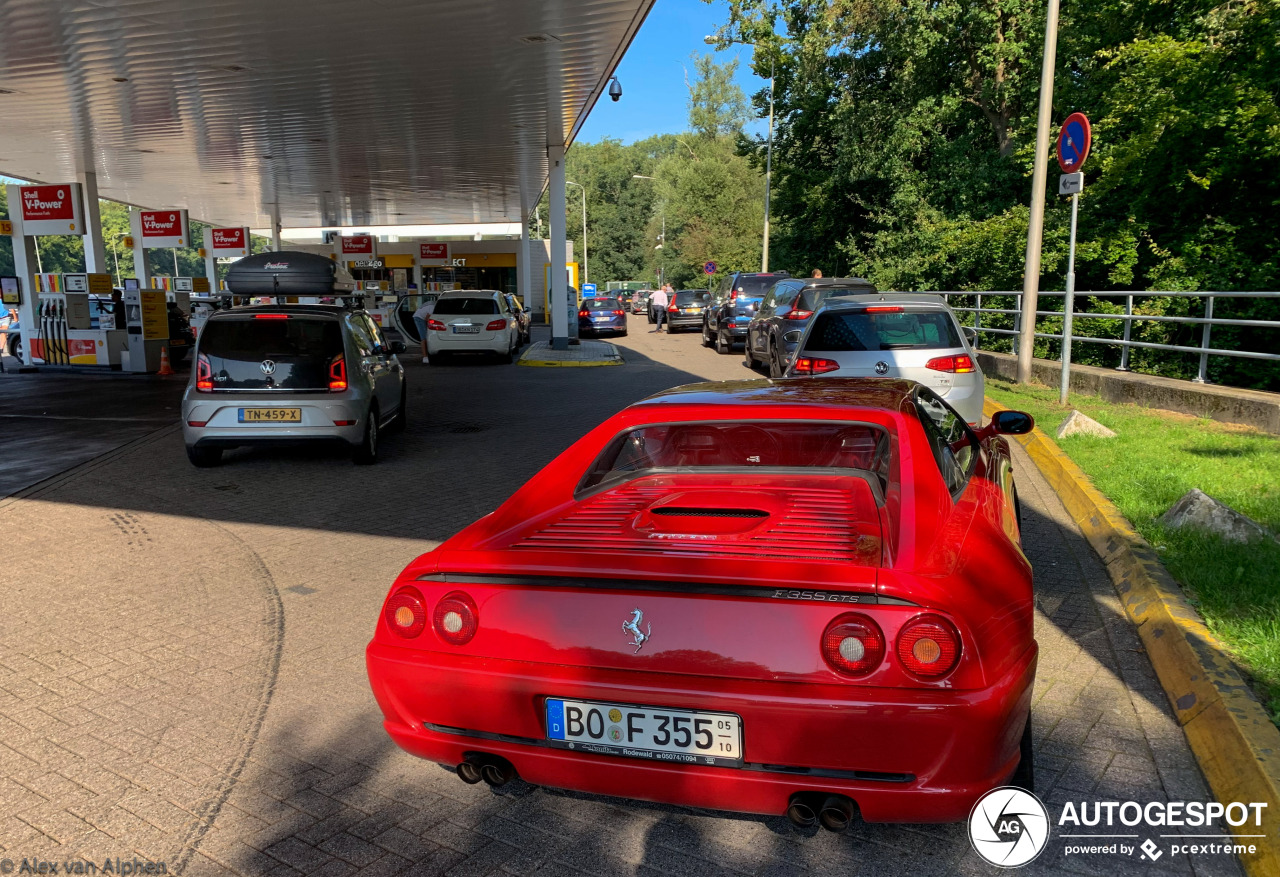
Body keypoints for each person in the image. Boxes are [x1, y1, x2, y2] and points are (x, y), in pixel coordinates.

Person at [412, 295, 435, 363]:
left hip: (420, 316)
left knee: (426, 336)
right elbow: (427, 319)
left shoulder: (434, 303)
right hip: (419, 318)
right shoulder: (433, 307)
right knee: (424, 337)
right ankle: (425, 357)